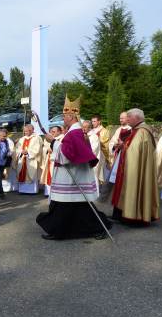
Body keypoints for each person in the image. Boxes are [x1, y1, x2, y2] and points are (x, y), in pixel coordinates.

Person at [36, 96, 112, 240]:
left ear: (71, 116)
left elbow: (67, 155)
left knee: (69, 206)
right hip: (73, 175)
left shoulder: (74, 133)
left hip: (72, 176)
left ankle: (61, 231)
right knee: (76, 207)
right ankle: (65, 230)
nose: (63, 119)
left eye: (64, 116)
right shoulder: (76, 132)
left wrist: (52, 142)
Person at [111, 108, 159, 224]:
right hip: (130, 166)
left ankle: (134, 215)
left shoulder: (142, 132)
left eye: (129, 117)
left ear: (136, 118)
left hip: (135, 168)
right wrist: (123, 146)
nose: (127, 120)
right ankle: (124, 213)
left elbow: (135, 152)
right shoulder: (136, 130)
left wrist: (125, 147)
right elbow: (133, 148)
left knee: (134, 187)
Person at [15, 124, 43, 194]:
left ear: (32, 130)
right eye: (25, 131)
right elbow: (17, 149)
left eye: (27, 131)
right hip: (22, 159)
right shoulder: (22, 139)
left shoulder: (37, 138)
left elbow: (38, 149)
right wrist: (21, 152)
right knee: (21, 172)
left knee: (32, 174)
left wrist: (28, 152)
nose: (25, 133)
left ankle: (32, 191)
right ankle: (22, 190)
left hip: (31, 159)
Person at [40, 126, 63, 197]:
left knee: (55, 175)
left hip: (56, 161)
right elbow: (44, 148)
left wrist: (53, 150)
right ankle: (48, 192)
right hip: (48, 160)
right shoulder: (48, 138)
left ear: (59, 132)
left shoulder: (62, 138)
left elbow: (62, 149)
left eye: (54, 132)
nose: (52, 133)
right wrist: (47, 150)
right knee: (48, 175)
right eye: (51, 131)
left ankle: (56, 192)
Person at [82, 120, 104, 187]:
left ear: (90, 128)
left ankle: (96, 195)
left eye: (85, 127)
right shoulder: (83, 135)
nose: (83, 129)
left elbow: (94, 150)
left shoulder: (94, 137)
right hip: (83, 161)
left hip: (92, 161)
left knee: (93, 178)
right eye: (82, 127)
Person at [0, 128, 11, 199]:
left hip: (3, 163)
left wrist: (8, 153)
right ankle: (1, 193)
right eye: (1, 136)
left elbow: (7, 150)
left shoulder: (6, 142)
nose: (3, 137)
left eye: (4, 136)